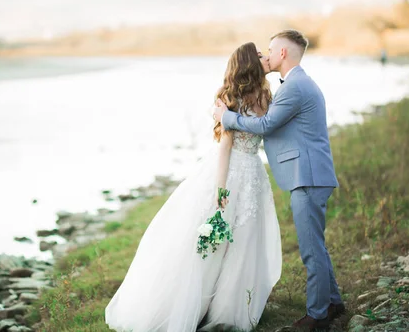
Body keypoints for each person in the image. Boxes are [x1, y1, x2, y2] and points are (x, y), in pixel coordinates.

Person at [106, 42, 282, 331]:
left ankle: (231, 309)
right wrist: (220, 188)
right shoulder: (232, 98)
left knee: (245, 240)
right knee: (215, 239)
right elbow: (225, 145)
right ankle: (194, 305)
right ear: (251, 62)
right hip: (230, 170)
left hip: (252, 172)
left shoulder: (265, 94)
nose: (265, 58)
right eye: (260, 55)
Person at [214, 30, 345, 331]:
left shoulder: (295, 87)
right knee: (317, 245)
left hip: (308, 176)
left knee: (311, 249)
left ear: (283, 53)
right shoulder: (296, 84)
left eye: (271, 50)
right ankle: (333, 302)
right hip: (309, 174)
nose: (268, 56)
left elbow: (267, 124)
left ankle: (317, 316)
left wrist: (228, 118)